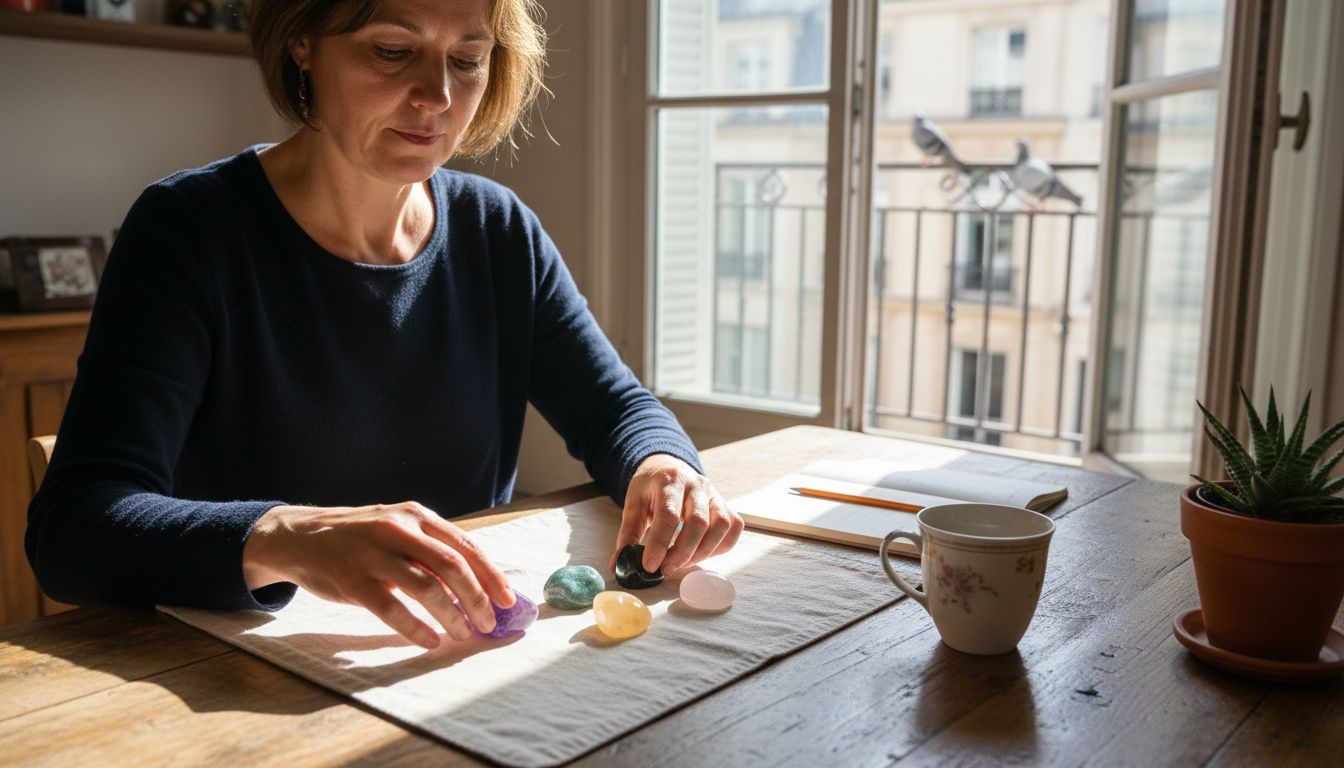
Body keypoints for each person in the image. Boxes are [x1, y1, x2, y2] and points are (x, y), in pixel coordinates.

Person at [26, 0, 741, 650]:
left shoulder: (498, 231)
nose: (439, 97)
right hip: (241, 670)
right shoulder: (188, 232)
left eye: (467, 59)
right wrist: (284, 534)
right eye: (392, 52)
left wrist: (663, 464)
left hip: (455, 664)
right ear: (302, 41)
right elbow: (73, 529)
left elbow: (615, 408)